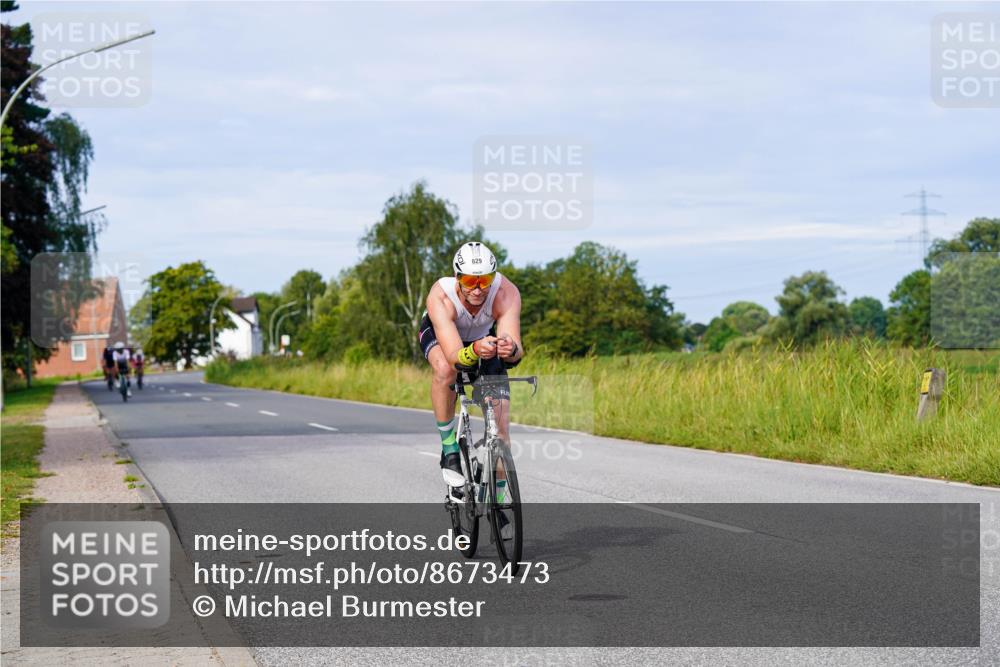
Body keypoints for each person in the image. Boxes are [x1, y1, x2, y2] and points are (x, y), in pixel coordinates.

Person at [419, 242, 524, 515]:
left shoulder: (506, 293)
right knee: (446, 369)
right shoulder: (440, 296)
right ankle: (449, 448)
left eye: (484, 281)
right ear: (457, 277)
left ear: (493, 277)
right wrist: (475, 350)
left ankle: (498, 499)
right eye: (469, 281)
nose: (477, 289)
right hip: (444, 337)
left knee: (501, 429)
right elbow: (455, 356)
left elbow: (516, 352)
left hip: (482, 339)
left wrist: (510, 349)